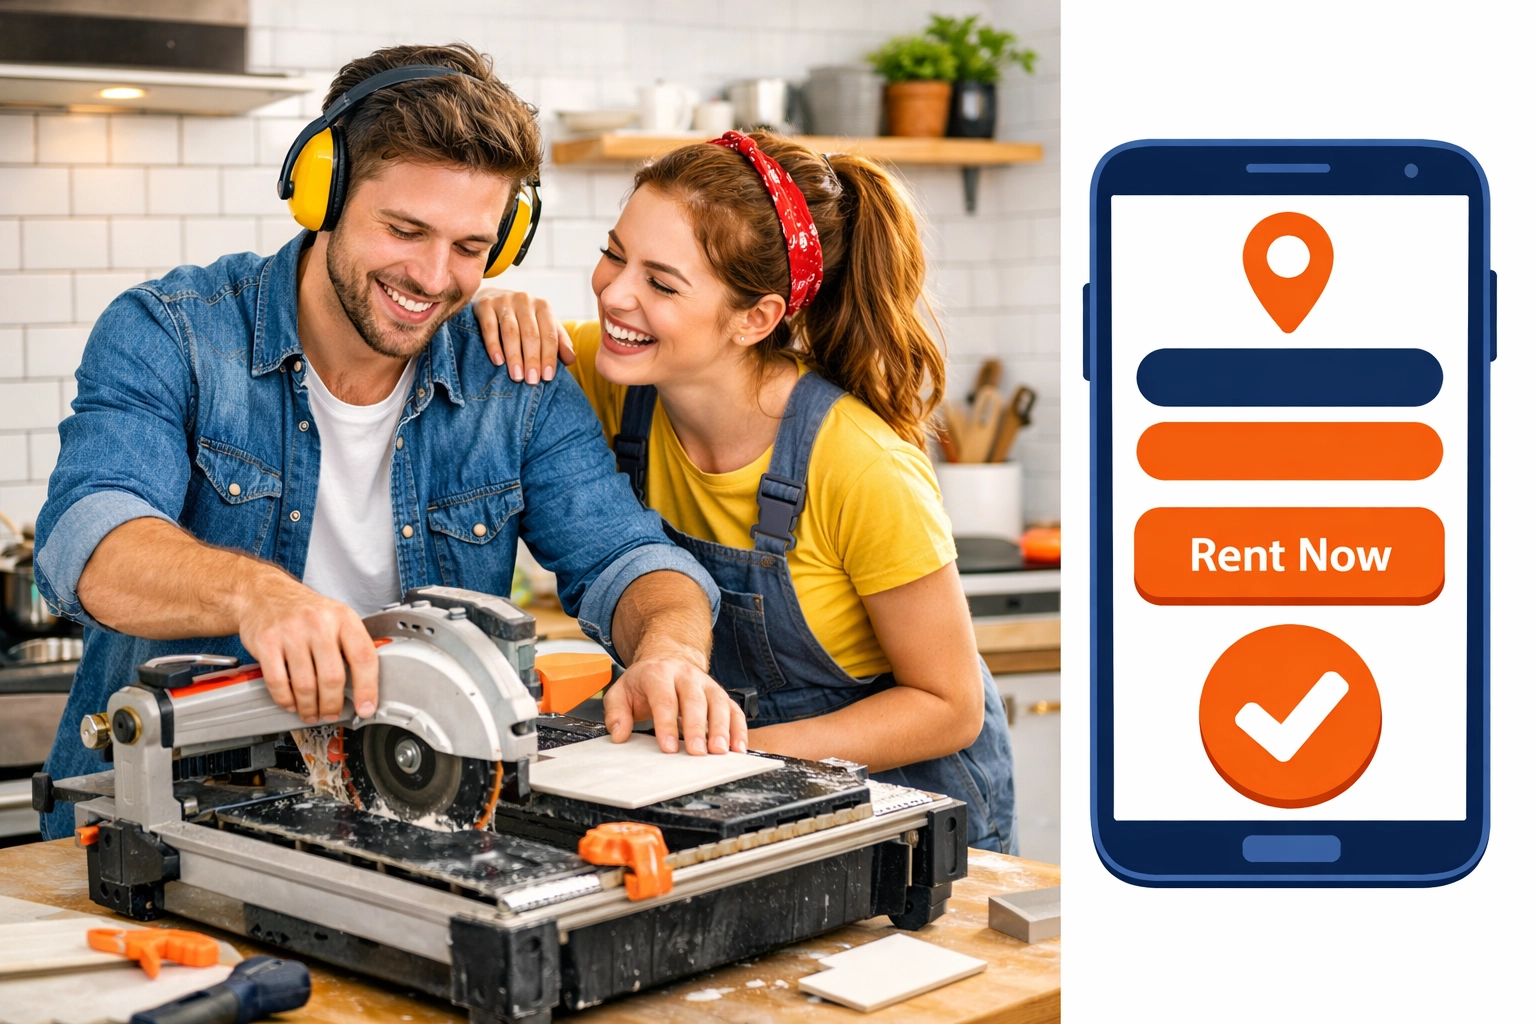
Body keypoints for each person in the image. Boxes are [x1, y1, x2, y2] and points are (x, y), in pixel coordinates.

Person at [33, 45, 746, 841]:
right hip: (158, 825)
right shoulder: (173, 333)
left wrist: (670, 651)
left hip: (412, 829)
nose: (434, 278)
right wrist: (257, 597)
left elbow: (628, 558)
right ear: (324, 192)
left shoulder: (512, 378)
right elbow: (87, 539)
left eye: (470, 248)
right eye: (406, 230)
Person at [475, 131, 1017, 852]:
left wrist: (739, 757)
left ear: (755, 318)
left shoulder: (862, 466)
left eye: (662, 283)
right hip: (731, 793)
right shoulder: (614, 377)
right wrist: (495, 304)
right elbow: (496, 348)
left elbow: (949, 707)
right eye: (614, 253)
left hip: (906, 810)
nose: (614, 292)